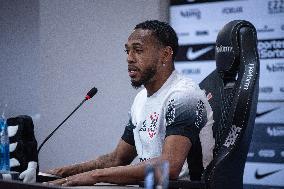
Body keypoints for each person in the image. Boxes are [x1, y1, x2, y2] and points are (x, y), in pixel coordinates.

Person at [46, 20, 215, 186]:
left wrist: (96, 176)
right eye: (127, 51)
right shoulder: (141, 99)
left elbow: (168, 167)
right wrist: (60, 173)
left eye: (138, 50)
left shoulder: (184, 96)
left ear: (165, 54)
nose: (129, 58)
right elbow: (117, 159)